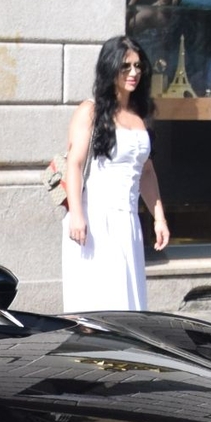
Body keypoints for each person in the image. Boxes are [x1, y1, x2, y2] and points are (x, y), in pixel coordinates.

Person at [59, 35, 170, 313]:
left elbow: (146, 171)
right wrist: (76, 214)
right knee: (99, 301)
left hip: (128, 221)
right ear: (111, 69)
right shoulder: (91, 111)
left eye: (138, 66)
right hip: (96, 219)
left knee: (128, 301)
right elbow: (74, 163)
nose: (134, 73)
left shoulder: (140, 113)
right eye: (126, 67)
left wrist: (159, 217)